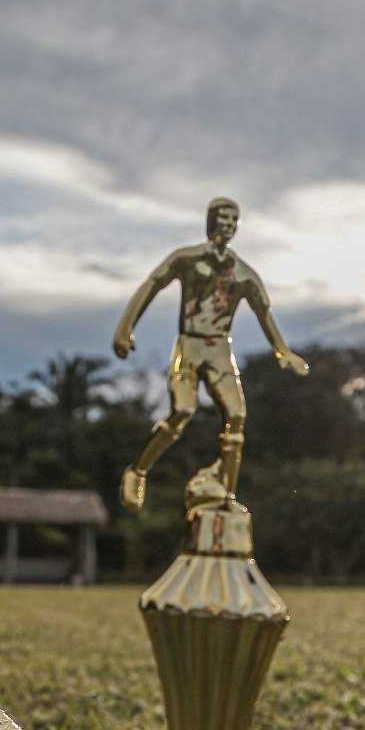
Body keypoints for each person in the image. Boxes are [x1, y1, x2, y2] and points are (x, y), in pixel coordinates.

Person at [112, 197, 308, 511]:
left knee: (237, 415)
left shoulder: (243, 273)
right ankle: (138, 470)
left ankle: (227, 494)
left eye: (234, 220)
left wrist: (282, 350)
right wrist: (125, 328)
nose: (228, 225)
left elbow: (264, 312)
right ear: (211, 221)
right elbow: (153, 284)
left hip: (219, 349)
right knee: (183, 409)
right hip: (189, 345)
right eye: (223, 218)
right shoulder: (187, 259)